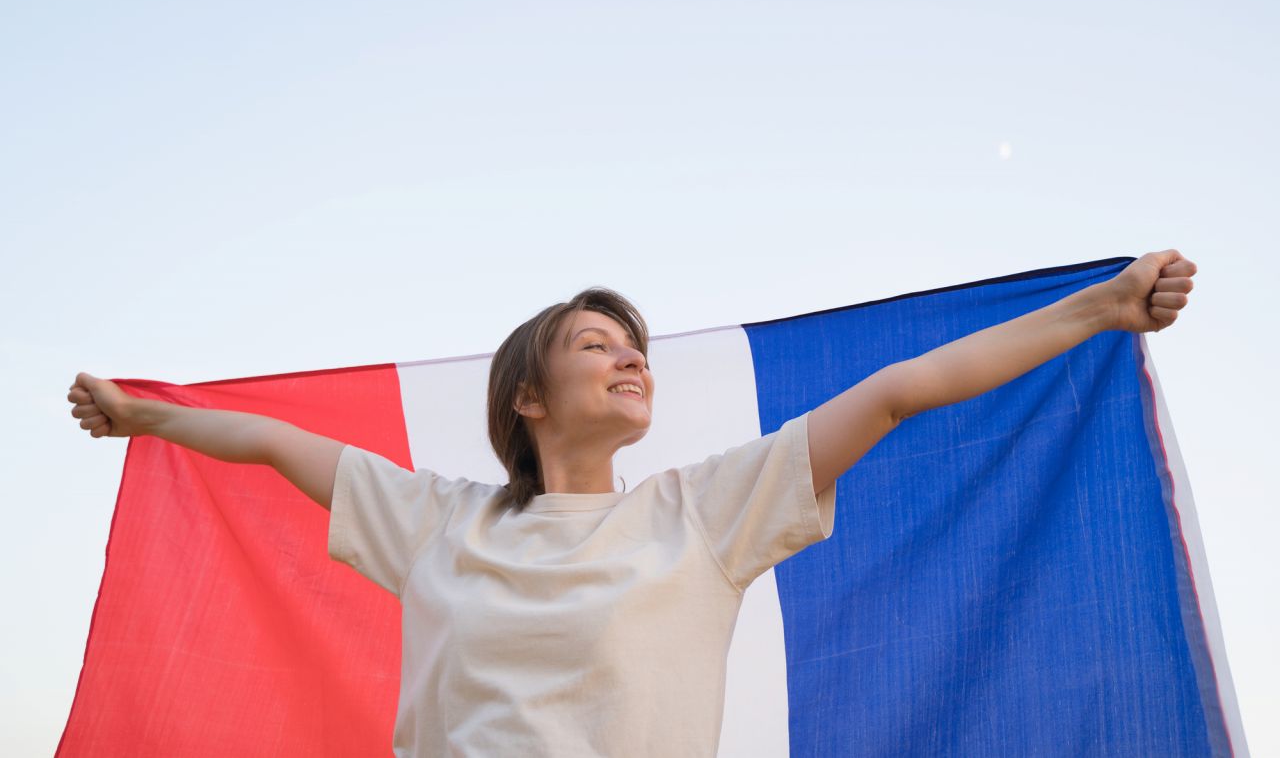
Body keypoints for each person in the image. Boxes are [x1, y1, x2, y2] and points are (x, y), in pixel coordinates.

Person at [67, 249, 1197, 757]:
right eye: (596, 344)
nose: (630, 360)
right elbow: (271, 443)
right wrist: (144, 415)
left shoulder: (700, 513)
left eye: (637, 349)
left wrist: (1096, 308)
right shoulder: (434, 521)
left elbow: (898, 393)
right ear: (527, 398)